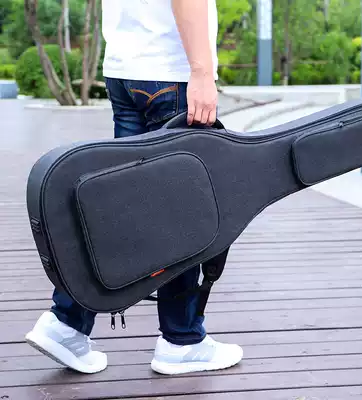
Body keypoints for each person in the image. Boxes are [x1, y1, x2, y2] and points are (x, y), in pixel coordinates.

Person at [25, 0, 243, 375]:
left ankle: (66, 323)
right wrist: (202, 72)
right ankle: (182, 340)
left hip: (126, 70)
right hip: (169, 73)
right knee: (183, 214)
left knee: (122, 207)